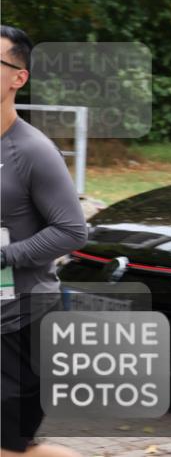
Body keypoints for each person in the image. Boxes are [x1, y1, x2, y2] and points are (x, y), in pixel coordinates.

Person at [1, 25, 87, 457]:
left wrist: (4, 256)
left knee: (13, 450)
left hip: (23, 323)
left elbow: (73, 230)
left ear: (19, 77)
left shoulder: (32, 150)